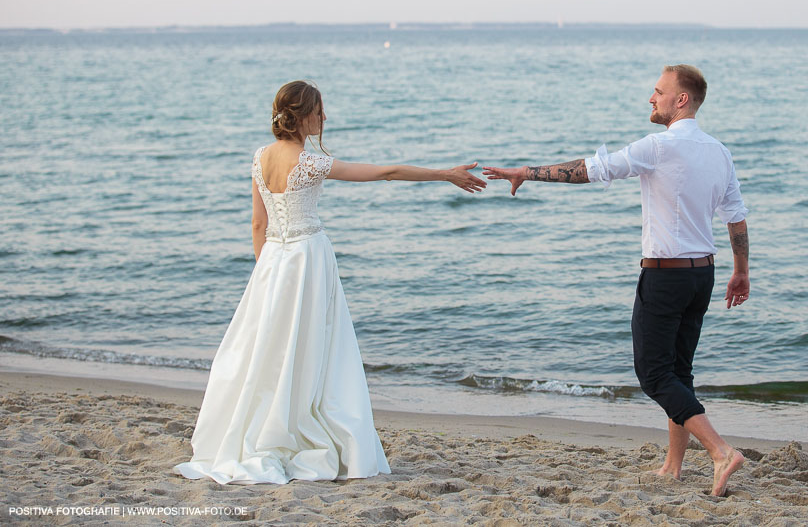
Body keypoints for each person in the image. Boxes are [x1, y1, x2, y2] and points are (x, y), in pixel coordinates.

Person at [174, 80, 486, 485]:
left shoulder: (259, 158)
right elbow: (386, 173)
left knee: (268, 347)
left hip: (272, 262)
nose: (326, 118)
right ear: (302, 116)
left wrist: (265, 273)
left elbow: (257, 223)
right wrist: (444, 174)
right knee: (313, 346)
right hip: (307, 259)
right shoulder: (312, 163)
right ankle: (303, 426)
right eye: (320, 111)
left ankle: (259, 427)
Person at [484, 64, 750, 497]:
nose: (651, 98)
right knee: (679, 372)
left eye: (658, 91)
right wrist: (742, 271)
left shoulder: (659, 147)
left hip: (665, 277)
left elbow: (593, 169)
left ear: (681, 100)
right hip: (703, 273)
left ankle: (721, 452)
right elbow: (735, 216)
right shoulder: (719, 151)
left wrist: (526, 172)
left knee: (653, 375)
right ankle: (672, 466)